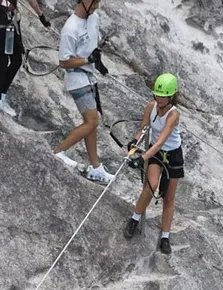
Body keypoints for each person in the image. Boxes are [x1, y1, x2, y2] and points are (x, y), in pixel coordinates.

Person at [51, 0, 114, 183]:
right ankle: (58, 151)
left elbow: (93, 47)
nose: (97, 6)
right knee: (92, 121)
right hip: (77, 79)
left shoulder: (93, 19)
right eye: (94, 2)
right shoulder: (70, 29)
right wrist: (87, 60)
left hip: (88, 76)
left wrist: (97, 61)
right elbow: (64, 61)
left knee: (92, 124)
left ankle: (96, 168)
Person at [123, 74, 185, 255]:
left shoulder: (173, 115)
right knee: (151, 186)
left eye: (162, 96)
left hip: (172, 154)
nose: (158, 98)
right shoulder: (151, 107)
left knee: (168, 197)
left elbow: (161, 141)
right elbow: (144, 127)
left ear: (171, 96)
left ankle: (165, 236)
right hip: (156, 153)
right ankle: (134, 219)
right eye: (157, 94)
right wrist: (135, 142)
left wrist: (142, 158)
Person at [0, 0, 47, 117]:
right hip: (0, 18)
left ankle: (2, 94)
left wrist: (41, 15)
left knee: (17, 60)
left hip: (12, 20)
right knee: (2, 61)